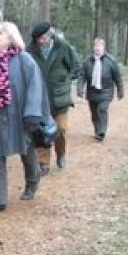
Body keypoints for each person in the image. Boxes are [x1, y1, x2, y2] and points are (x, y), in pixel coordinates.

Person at [0, 22, 51, 216]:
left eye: (0, 34)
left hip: (19, 116)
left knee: (26, 150)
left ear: (11, 38)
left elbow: (35, 87)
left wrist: (32, 114)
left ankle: (32, 181)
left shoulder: (25, 60)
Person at [26, 21, 78, 176]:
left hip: (59, 97)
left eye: (44, 38)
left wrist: (65, 80)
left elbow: (75, 66)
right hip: (39, 98)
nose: (42, 41)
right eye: (39, 39)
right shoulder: (29, 51)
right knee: (41, 132)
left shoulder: (63, 47)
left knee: (61, 128)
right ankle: (43, 163)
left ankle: (61, 153)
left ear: (50, 36)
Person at [77, 38, 124, 141]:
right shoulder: (87, 61)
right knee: (94, 113)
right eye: (96, 46)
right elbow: (82, 76)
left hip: (106, 92)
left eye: (99, 46)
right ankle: (97, 130)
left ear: (103, 48)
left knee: (102, 109)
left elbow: (118, 77)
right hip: (92, 92)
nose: (97, 48)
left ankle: (102, 131)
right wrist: (79, 88)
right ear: (93, 48)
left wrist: (120, 90)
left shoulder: (111, 61)